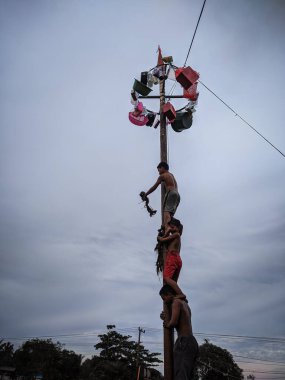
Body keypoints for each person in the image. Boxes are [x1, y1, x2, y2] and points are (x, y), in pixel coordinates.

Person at [159, 285, 199, 380]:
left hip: (183, 341)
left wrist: (167, 324)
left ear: (169, 294)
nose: (164, 301)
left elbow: (174, 322)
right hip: (192, 342)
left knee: (181, 374)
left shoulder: (176, 302)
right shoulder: (184, 303)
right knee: (187, 375)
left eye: (164, 298)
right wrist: (166, 316)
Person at [141, 162, 180, 235]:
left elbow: (154, 187)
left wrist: (146, 194)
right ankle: (170, 227)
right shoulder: (171, 175)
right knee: (170, 215)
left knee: (166, 212)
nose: (158, 172)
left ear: (163, 168)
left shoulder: (163, 175)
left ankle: (167, 227)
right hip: (177, 195)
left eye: (159, 170)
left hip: (170, 193)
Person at [157, 218, 184, 297]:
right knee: (173, 282)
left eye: (172, 227)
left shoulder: (176, 234)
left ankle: (181, 294)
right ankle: (175, 296)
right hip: (177, 258)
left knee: (166, 278)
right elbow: (165, 240)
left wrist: (165, 232)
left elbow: (162, 240)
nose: (171, 229)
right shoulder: (176, 236)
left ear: (178, 228)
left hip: (172, 257)